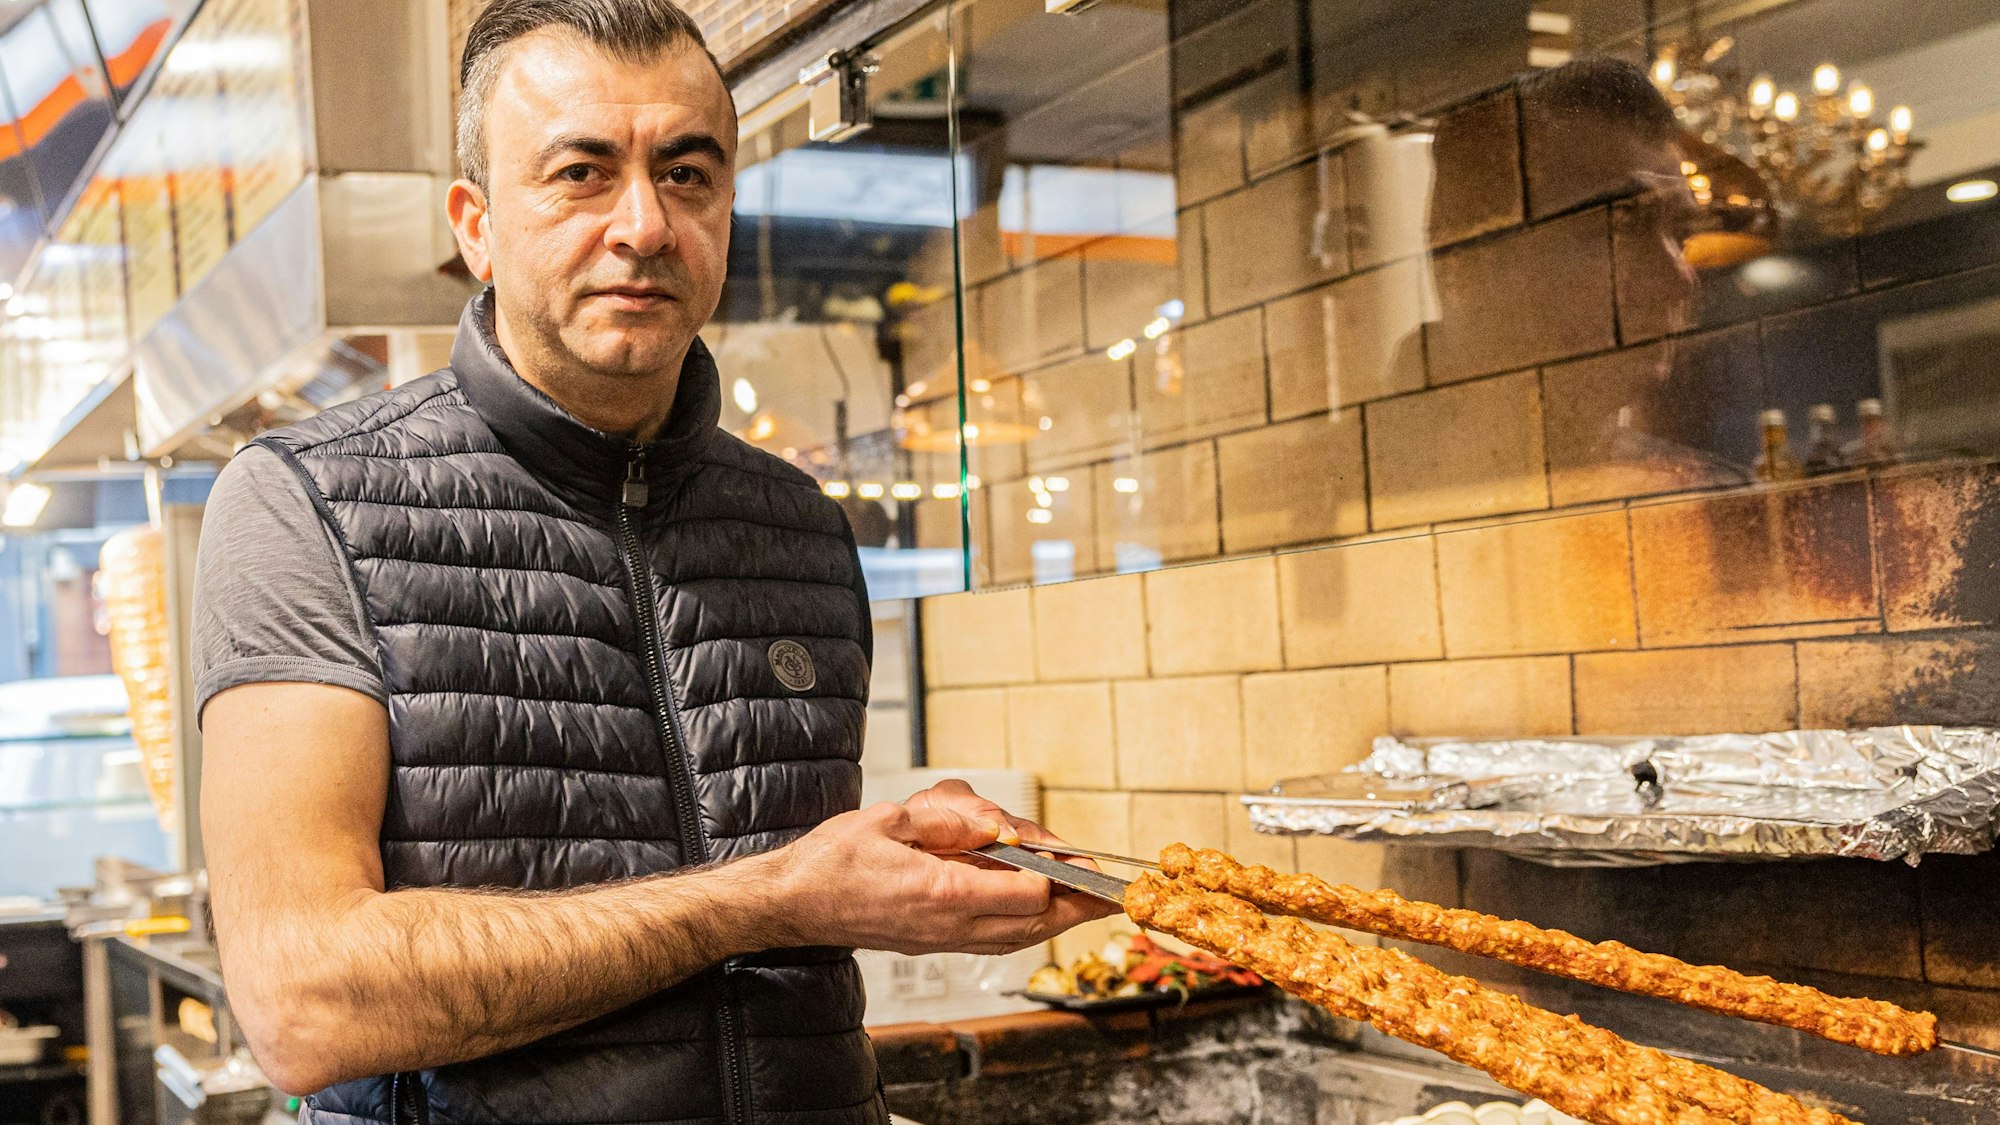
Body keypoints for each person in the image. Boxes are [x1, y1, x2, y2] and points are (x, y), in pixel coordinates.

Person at [193, 3, 1113, 1123]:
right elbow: (304, 1004)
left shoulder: (798, 525)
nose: (644, 224)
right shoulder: (307, 504)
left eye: (686, 174)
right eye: (581, 173)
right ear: (477, 225)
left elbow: (800, 933)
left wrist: (898, 868)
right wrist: (773, 897)